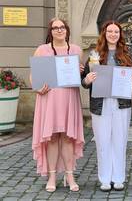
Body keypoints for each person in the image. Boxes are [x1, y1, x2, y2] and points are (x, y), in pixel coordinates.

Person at [81, 20, 132, 192]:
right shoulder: (94, 55)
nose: (113, 34)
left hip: (121, 103)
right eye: (110, 31)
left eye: (116, 32)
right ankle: (105, 179)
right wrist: (87, 80)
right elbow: (84, 80)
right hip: (100, 102)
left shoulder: (127, 55)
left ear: (120, 35)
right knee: (103, 141)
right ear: (104, 34)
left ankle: (118, 178)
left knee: (120, 141)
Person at [31, 18, 84, 192]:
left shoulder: (76, 50)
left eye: (62, 27)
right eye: (55, 28)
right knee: (52, 138)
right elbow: (34, 76)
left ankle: (70, 175)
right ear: (50, 31)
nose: (59, 30)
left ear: (67, 30)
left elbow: (79, 74)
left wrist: (80, 71)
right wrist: (38, 88)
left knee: (68, 138)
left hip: (69, 97)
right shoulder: (42, 49)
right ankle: (52, 176)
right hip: (49, 99)